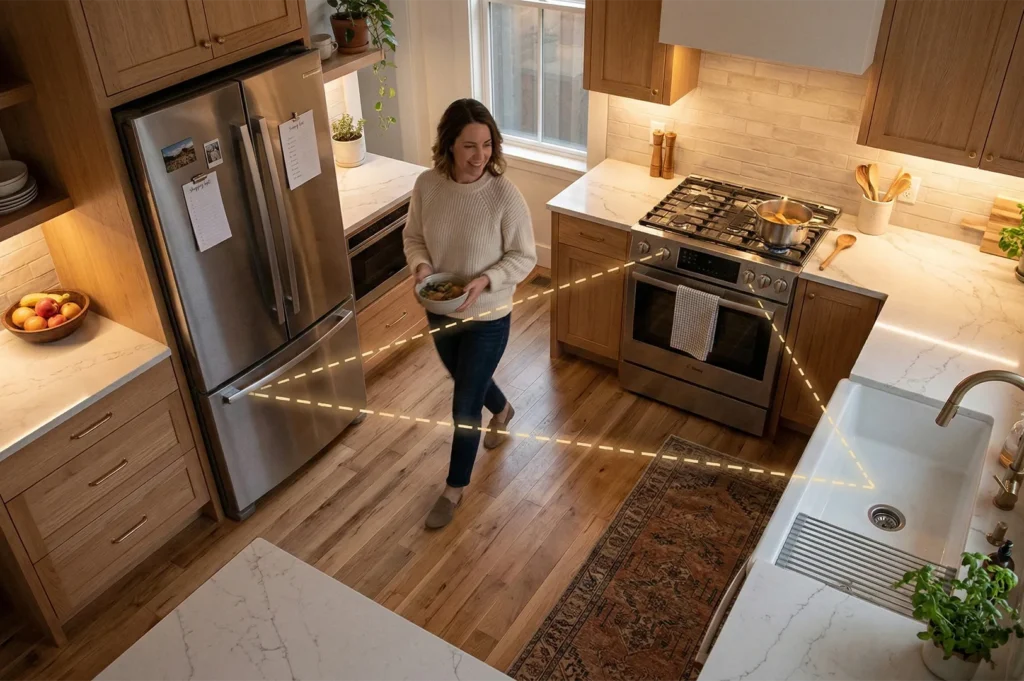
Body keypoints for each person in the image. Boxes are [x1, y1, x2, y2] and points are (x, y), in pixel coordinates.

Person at [403, 98, 537, 529]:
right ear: (449, 146)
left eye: (487, 145)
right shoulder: (427, 186)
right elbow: (414, 238)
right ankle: (502, 410)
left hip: (488, 315)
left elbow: (524, 257)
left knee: (463, 403)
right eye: (469, 146)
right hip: (440, 309)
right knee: (467, 380)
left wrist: (487, 280)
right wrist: (421, 267)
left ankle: (454, 488)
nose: (480, 156)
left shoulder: (503, 195)